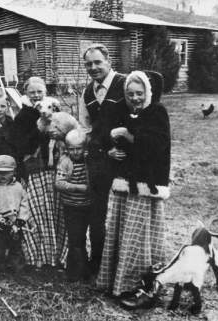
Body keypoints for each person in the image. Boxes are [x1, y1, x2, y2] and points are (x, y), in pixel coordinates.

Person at [96, 70, 171, 302]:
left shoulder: (157, 112)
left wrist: (127, 135)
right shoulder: (120, 110)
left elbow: (156, 145)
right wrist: (109, 149)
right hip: (122, 182)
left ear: (148, 92)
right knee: (121, 231)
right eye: (130, 94)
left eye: (139, 93)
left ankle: (142, 284)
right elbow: (101, 134)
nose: (135, 98)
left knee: (138, 234)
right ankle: (116, 280)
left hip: (144, 184)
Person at [78, 43, 129, 275]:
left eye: (98, 62)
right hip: (99, 160)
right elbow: (87, 129)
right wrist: (100, 150)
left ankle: (124, 262)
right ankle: (98, 261)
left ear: (108, 61)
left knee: (123, 211)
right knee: (97, 212)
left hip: (125, 159)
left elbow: (138, 119)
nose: (93, 67)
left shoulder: (125, 84)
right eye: (88, 64)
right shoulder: (87, 93)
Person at [9, 77, 70, 268]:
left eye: (39, 91)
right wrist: (38, 131)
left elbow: (66, 132)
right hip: (36, 170)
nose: (36, 96)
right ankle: (41, 256)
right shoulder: (23, 116)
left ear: (45, 91)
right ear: (26, 94)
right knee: (39, 212)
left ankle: (61, 254)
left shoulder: (54, 108)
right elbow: (20, 145)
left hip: (55, 168)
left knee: (57, 210)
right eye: (32, 92)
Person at [0, 155, 30, 273]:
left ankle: (17, 268)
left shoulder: (18, 187)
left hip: (15, 224)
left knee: (16, 247)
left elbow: (24, 203)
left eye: (7, 172)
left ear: (14, 171)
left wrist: (21, 219)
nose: (3, 176)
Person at [55, 129, 91, 282]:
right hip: (72, 206)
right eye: (72, 149)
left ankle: (84, 269)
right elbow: (59, 183)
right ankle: (75, 273)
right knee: (75, 239)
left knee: (82, 238)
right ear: (67, 148)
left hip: (87, 205)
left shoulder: (88, 160)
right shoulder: (65, 162)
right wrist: (79, 187)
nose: (75, 152)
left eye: (79, 148)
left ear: (84, 148)